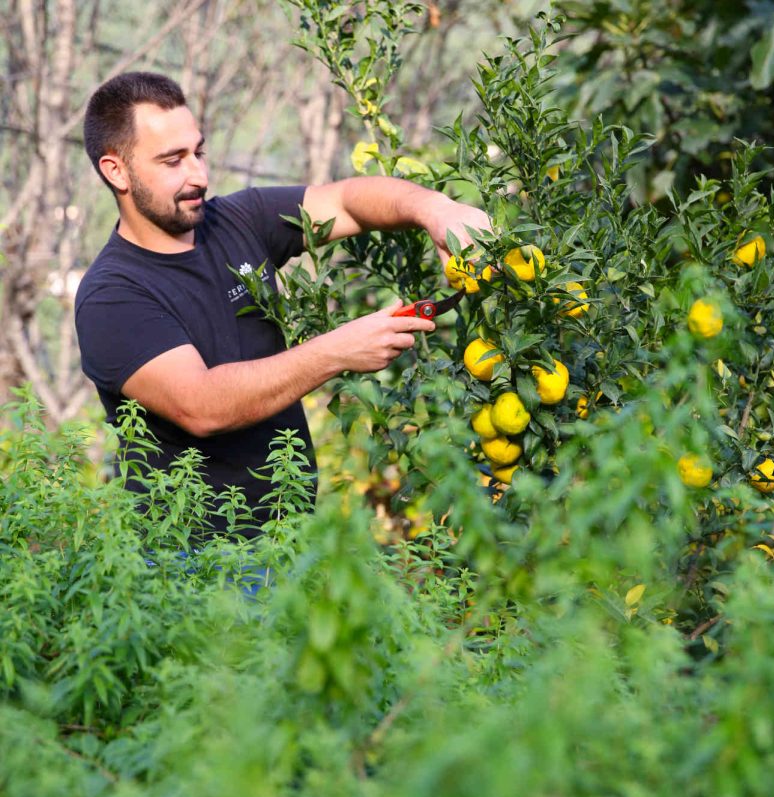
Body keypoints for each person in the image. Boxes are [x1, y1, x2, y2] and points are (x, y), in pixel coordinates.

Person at [75, 71, 490, 534]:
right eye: (173, 161)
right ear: (117, 171)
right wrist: (338, 351)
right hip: (193, 561)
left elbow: (349, 201)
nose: (199, 175)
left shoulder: (237, 220)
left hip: (288, 537)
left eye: (199, 152)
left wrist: (438, 211)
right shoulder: (111, 296)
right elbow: (202, 405)